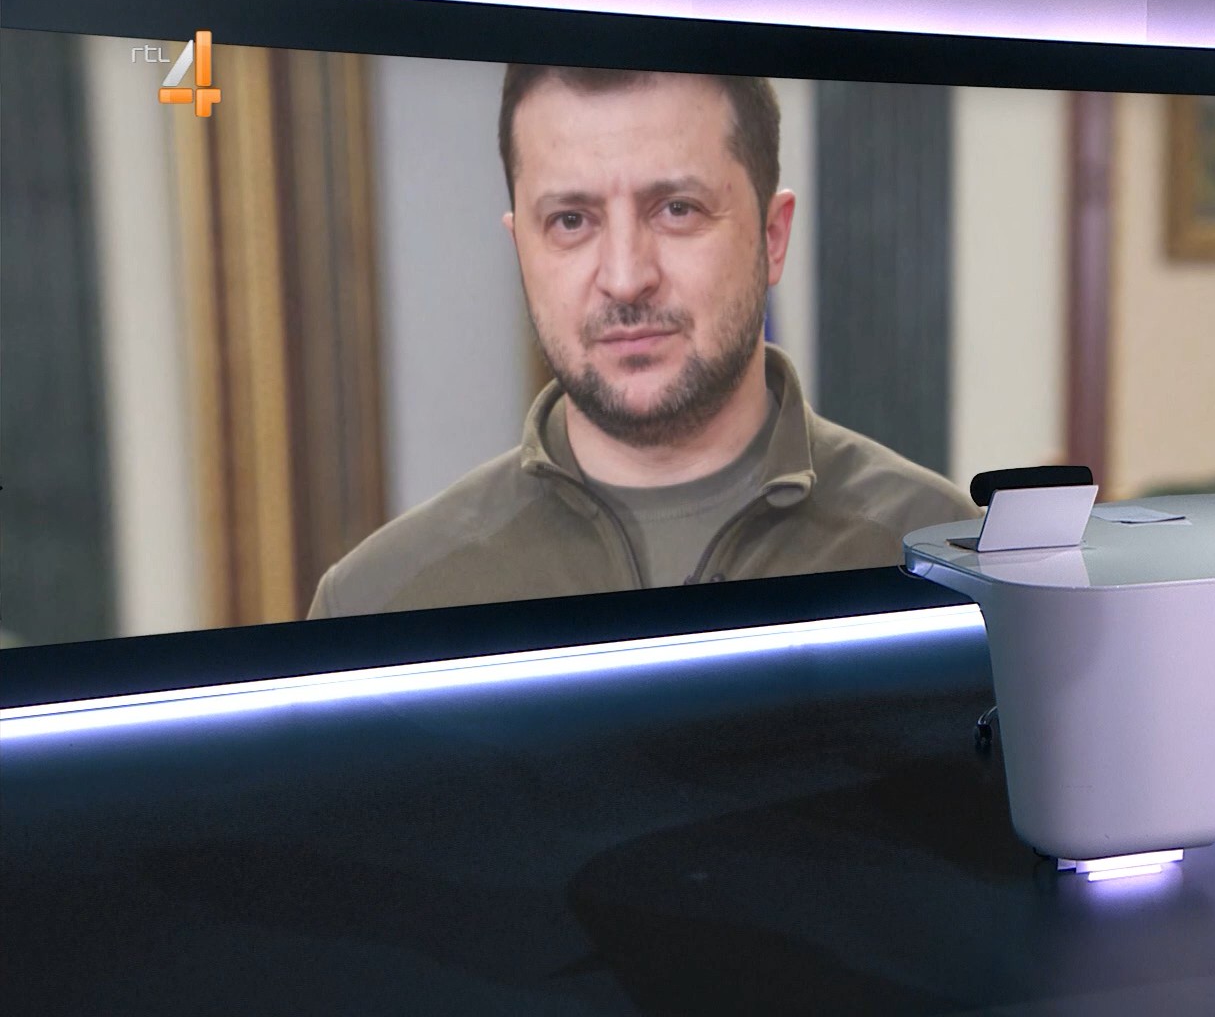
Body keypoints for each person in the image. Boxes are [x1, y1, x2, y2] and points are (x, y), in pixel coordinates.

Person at [310, 66, 977, 619]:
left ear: (773, 236)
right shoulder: (377, 602)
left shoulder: (950, 559)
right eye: (571, 221)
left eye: (677, 209)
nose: (626, 278)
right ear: (521, 249)